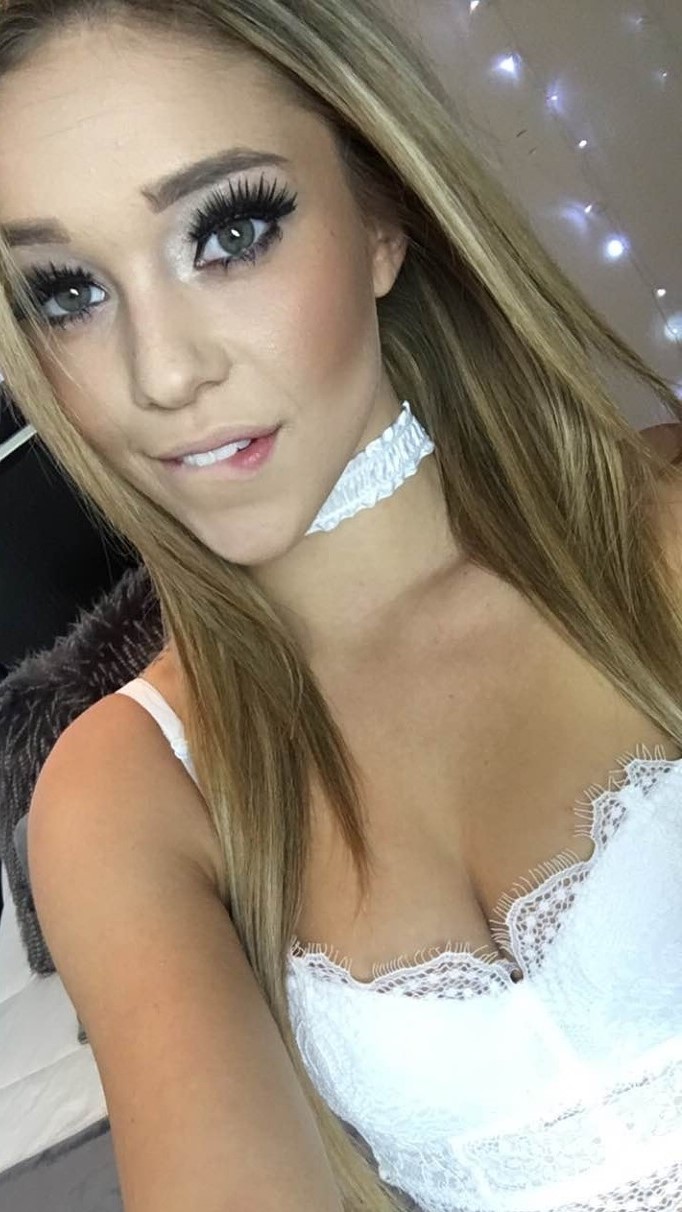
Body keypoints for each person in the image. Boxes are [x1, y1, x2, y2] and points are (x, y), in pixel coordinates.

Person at [1, 1, 682, 1209]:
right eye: (67, 293)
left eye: (229, 232)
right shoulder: (124, 797)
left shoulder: (660, 546)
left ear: (378, 216)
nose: (163, 373)